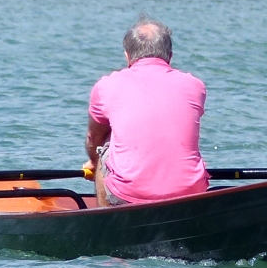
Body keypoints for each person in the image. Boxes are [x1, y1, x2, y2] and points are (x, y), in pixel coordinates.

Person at [85, 17, 208, 206]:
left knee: (104, 150)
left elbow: (94, 138)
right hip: (191, 191)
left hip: (129, 193)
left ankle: (104, 219)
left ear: (127, 56)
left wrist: (93, 162)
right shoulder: (195, 86)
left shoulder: (106, 86)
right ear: (170, 56)